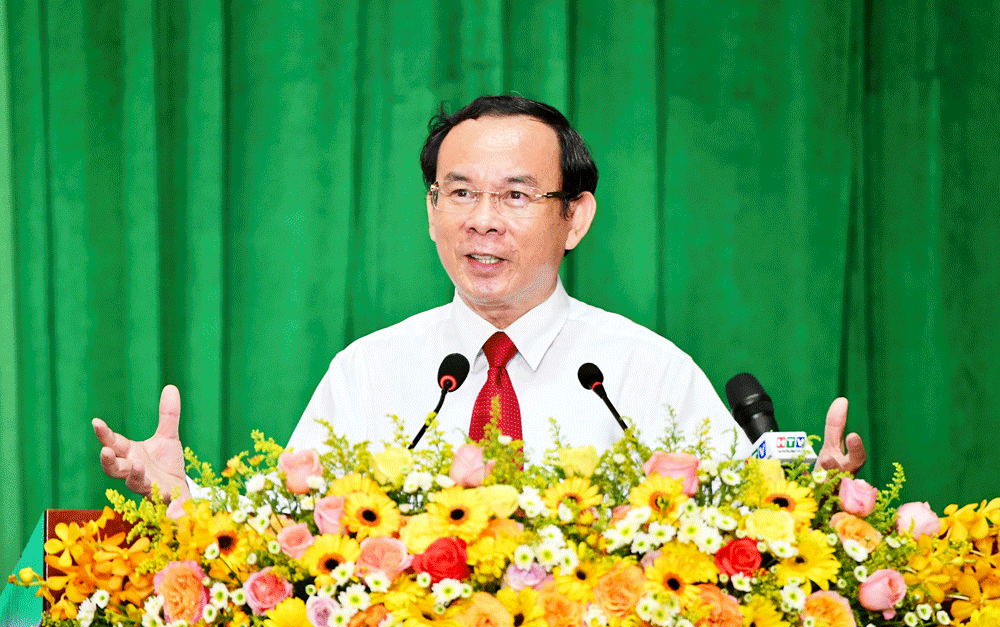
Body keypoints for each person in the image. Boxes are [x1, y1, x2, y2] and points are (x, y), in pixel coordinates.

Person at [94, 95, 866, 509]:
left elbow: (751, 528)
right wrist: (181, 497)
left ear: (577, 217)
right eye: (459, 192)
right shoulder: (370, 371)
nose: (483, 218)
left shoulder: (646, 373)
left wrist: (810, 506)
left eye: (518, 194)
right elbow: (289, 534)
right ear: (431, 212)